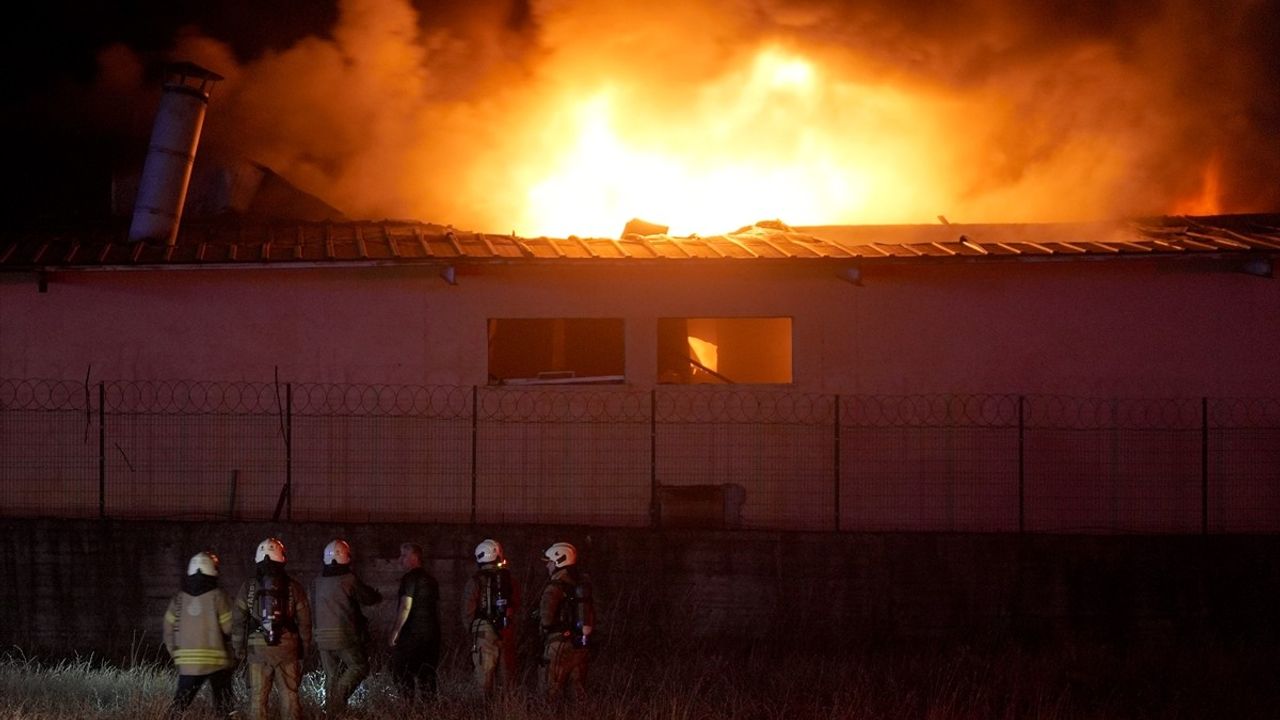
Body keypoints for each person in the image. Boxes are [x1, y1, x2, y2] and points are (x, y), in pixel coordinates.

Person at [232, 537, 312, 720]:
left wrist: (238, 648)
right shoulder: (294, 587)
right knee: (290, 696)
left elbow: (238, 620)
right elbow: (305, 621)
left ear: (258, 559)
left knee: (258, 698)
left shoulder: (249, 587)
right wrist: (304, 648)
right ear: (282, 559)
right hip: (287, 649)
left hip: (257, 649)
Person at [311, 538, 382, 716]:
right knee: (359, 667)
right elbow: (368, 598)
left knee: (331, 675)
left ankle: (332, 712)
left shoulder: (316, 582)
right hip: (344, 635)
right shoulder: (349, 580)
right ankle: (338, 701)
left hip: (321, 638)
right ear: (346, 557)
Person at [162, 550, 236, 718]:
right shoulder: (218, 597)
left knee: (179, 704)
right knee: (224, 706)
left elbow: (168, 630)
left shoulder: (178, 599)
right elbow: (229, 628)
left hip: (188, 663)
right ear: (213, 571)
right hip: (217, 663)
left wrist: (176, 654)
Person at [460, 538, 521, 698]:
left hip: (482, 632)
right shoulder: (509, 580)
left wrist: (472, 631)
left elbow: (467, 611)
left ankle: (483, 712)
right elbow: (516, 604)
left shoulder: (474, 581)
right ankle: (509, 710)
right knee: (508, 677)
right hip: (506, 629)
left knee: (483, 679)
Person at [537, 541, 595, 702]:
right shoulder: (581, 585)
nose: (547, 566)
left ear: (558, 561)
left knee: (550, 693)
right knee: (578, 694)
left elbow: (546, 618)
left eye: (549, 562)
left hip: (558, 645)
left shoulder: (554, 586)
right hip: (580, 645)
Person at [389, 542, 441, 704]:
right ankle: (430, 711)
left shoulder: (409, 579)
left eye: (404, 555)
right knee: (427, 676)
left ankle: (407, 709)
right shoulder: (432, 580)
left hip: (412, 634)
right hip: (432, 635)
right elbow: (436, 608)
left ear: (414, 557)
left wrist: (395, 632)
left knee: (401, 672)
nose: (400, 560)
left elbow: (405, 606)